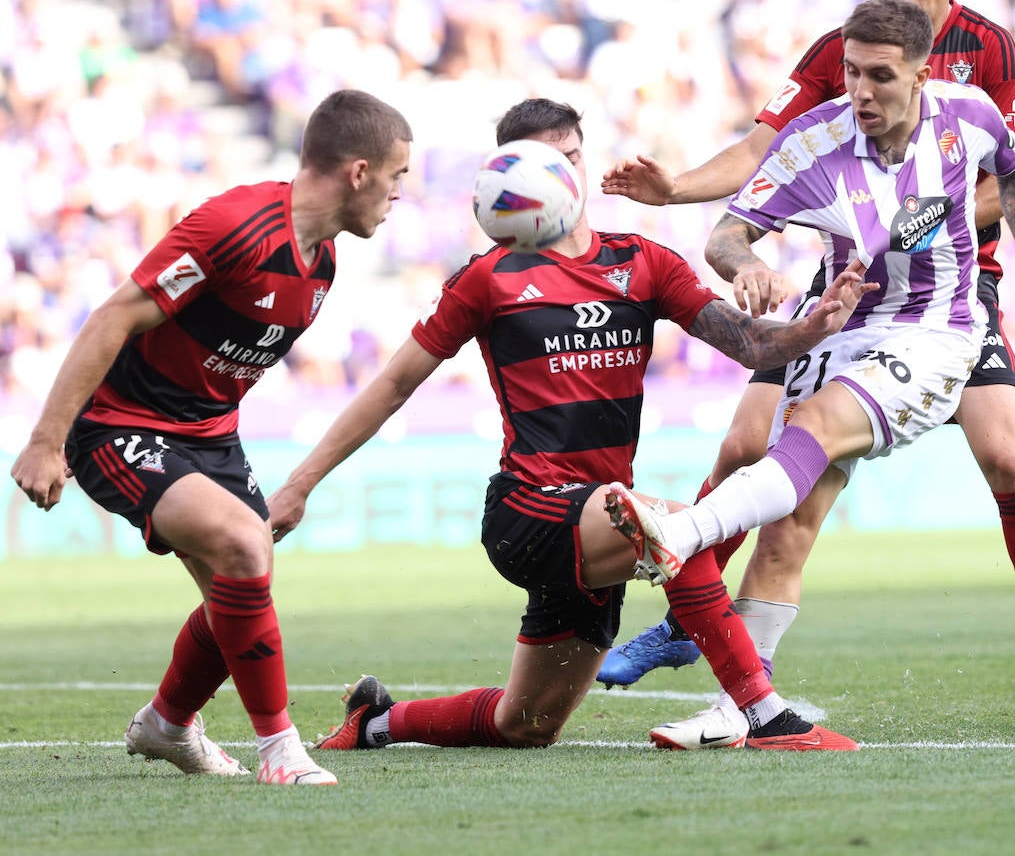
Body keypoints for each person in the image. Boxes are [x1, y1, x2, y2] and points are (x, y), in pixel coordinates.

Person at [599, 0, 1015, 736]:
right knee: (755, 454)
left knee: (1006, 455)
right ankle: (704, 636)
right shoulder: (839, 57)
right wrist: (684, 196)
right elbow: (766, 154)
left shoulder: (984, 60)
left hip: (952, 296)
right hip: (842, 298)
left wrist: (992, 254)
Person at [268, 98, 876, 754]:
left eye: (569, 157)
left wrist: (811, 328)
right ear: (506, 172)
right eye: (538, 162)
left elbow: (753, 347)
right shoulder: (488, 279)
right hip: (529, 510)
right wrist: (301, 483)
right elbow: (392, 385)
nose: (558, 173)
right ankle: (764, 713)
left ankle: (377, 721)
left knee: (525, 725)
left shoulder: (642, 263)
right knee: (675, 530)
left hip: (603, 522)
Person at [9, 89, 415, 785]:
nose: (399, 194)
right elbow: (114, 315)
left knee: (242, 582)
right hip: (120, 425)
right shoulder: (236, 225)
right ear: (358, 172)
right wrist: (48, 438)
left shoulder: (322, 266)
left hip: (211, 438)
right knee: (242, 544)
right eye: (397, 176)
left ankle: (167, 723)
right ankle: (280, 750)